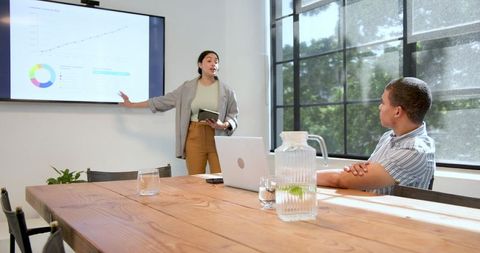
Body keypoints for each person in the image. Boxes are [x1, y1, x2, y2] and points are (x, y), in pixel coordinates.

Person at [119, 50, 239, 175]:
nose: (213, 64)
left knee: (221, 179)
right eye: (209, 60)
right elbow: (162, 101)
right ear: (200, 64)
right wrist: (132, 104)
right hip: (194, 137)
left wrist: (223, 125)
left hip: (218, 137)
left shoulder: (227, 90)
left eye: (216, 61)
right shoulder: (187, 88)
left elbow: (233, 115)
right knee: (195, 180)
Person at [316, 77, 435, 195]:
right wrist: (359, 171)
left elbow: (339, 180)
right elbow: (363, 178)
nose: (380, 107)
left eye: (383, 103)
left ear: (397, 112)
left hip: (391, 213)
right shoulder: (388, 137)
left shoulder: (414, 150)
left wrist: (301, 177)